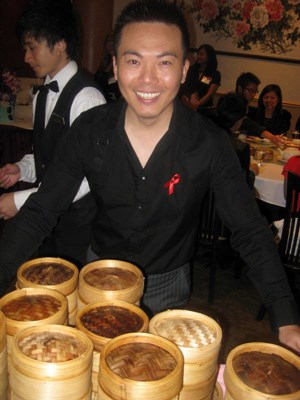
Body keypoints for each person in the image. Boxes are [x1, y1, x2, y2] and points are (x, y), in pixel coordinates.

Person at [0, 0, 299, 352]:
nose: (147, 79)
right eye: (133, 60)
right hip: (99, 277)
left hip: (167, 286)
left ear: (185, 68)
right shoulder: (90, 131)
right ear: (115, 64)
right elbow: (40, 212)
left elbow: (248, 230)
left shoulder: (209, 144)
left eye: (165, 62)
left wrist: (286, 314)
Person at [0, 0, 106, 267]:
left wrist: (24, 200)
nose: (26, 57)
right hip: (49, 222)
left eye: (32, 47)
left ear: (59, 44)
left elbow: (89, 178)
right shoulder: (43, 91)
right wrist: (22, 169)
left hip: (79, 227)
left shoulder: (87, 98)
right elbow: (48, 154)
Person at [236, 72, 285, 147]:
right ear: (240, 89)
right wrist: (270, 136)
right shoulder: (233, 103)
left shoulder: (245, 106)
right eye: (250, 90)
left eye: (255, 91)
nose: (253, 94)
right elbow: (247, 123)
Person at [180, 44, 220, 109]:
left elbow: (210, 94)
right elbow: (184, 86)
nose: (198, 56)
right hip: (187, 105)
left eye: (201, 54)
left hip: (204, 108)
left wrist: (197, 104)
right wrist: (188, 102)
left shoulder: (214, 74)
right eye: (198, 54)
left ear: (209, 56)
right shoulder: (191, 70)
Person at [94, 31, 121, 102]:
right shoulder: (104, 64)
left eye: (113, 41)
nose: (110, 45)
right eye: (108, 41)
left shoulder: (122, 65)